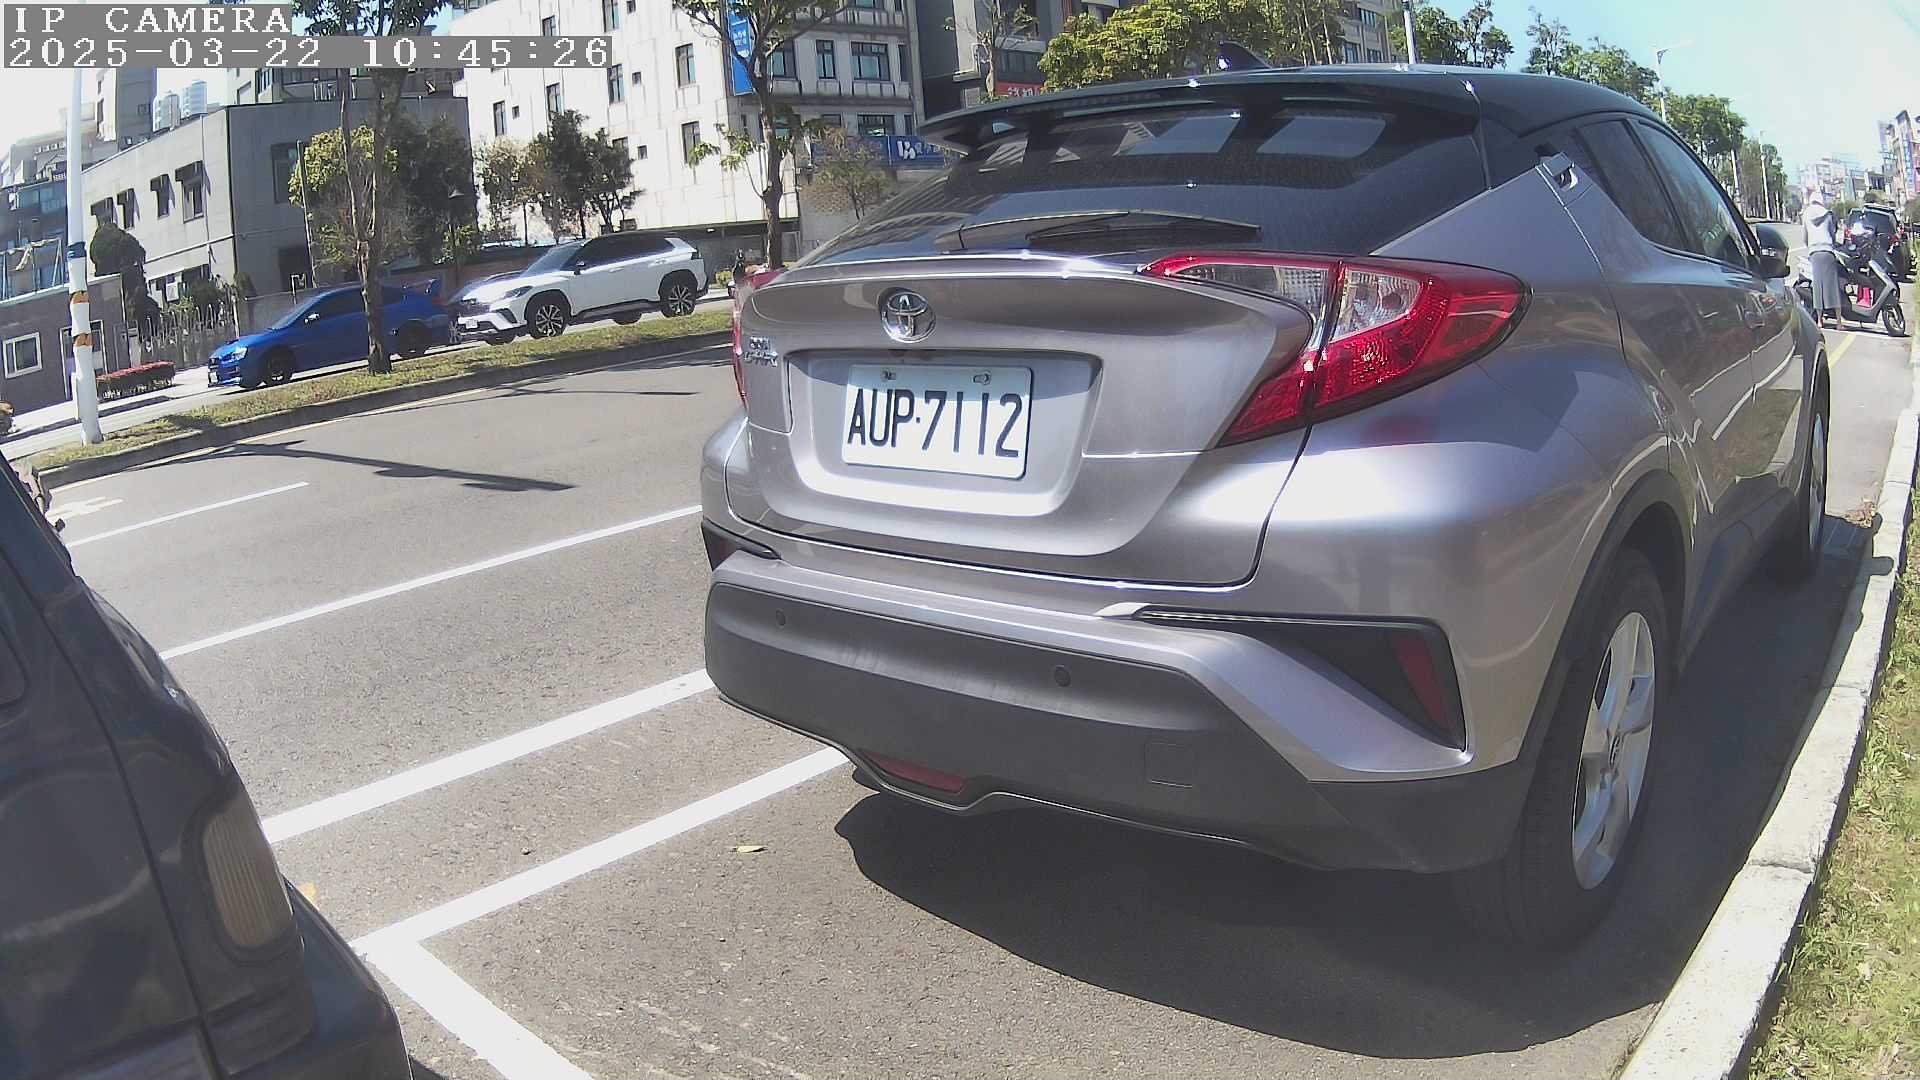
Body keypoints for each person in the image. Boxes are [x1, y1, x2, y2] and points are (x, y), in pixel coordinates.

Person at [1803, 188, 1845, 329]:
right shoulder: (1827, 214)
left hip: (1814, 252)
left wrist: (1810, 246)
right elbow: (1832, 233)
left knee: (1818, 286)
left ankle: (1820, 321)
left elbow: (1805, 236)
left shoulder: (1806, 214)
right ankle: (1839, 322)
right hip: (1827, 251)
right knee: (1832, 286)